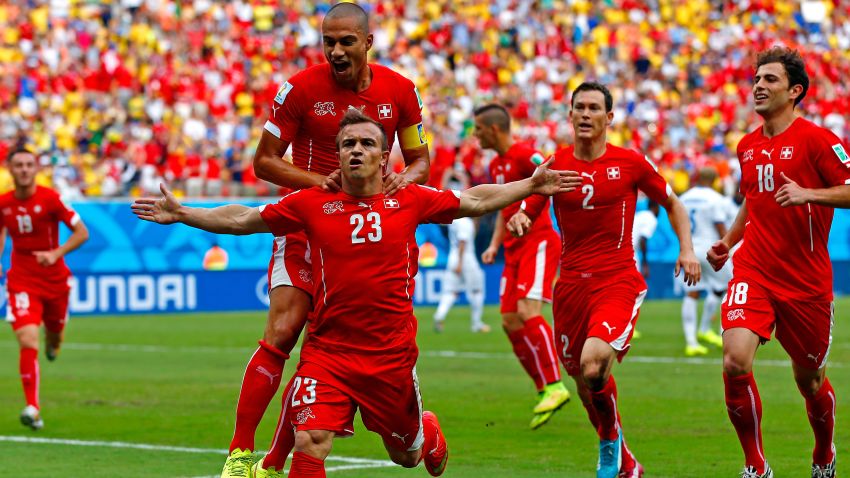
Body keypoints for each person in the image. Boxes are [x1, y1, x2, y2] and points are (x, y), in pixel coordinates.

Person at [133, 108, 582, 478]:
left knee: (405, 455)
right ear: (338, 153)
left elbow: (475, 200)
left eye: (367, 143)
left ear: (385, 155)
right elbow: (243, 219)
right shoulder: (311, 204)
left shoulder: (410, 200)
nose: (356, 150)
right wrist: (184, 212)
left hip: (390, 357)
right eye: (348, 144)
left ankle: (427, 431)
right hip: (328, 352)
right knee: (310, 441)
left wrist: (531, 185)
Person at [221, 4, 431, 476]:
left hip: (367, 231)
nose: (336, 51)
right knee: (284, 329)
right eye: (328, 42)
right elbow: (264, 162)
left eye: (345, 42)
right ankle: (240, 453)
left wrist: (404, 181)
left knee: (327, 344)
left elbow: (420, 159)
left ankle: (276, 462)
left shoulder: (400, 90)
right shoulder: (299, 89)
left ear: (367, 43)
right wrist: (320, 186)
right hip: (306, 224)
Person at [508, 82, 700, 478]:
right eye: (578, 107)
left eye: (594, 107)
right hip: (571, 287)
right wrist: (521, 216)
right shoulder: (555, 164)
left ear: (609, 117)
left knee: (594, 366)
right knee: (582, 382)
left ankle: (609, 442)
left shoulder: (631, 162)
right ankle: (627, 463)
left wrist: (687, 249)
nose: (584, 114)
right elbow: (530, 203)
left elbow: (673, 203)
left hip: (617, 280)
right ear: (570, 115)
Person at [707, 47, 850, 478]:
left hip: (806, 283)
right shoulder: (747, 146)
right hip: (754, 269)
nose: (758, 86)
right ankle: (756, 465)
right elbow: (753, 199)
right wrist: (729, 242)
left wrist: (810, 194)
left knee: (809, 382)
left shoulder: (819, 140)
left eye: (770, 79)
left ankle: (824, 452)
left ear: (795, 91)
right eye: (756, 79)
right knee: (734, 360)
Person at [474, 104, 571, 430]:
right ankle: (544, 387)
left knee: (530, 311)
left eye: (478, 129)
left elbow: (547, 173)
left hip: (538, 241)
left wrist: (527, 213)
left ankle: (556, 386)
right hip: (513, 249)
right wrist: (494, 244)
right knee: (509, 320)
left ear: (494, 130)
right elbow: (504, 207)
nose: (475, 136)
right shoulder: (497, 164)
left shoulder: (523, 154)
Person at [0, 148, 90, 430]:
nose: (24, 169)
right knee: (27, 338)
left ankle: (54, 344)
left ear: (36, 169)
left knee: (53, 337)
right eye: (19, 165)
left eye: (29, 164)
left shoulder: (50, 198)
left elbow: (82, 232)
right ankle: (33, 408)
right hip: (22, 280)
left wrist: (56, 253)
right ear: (10, 170)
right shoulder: (3, 203)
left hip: (55, 280)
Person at [678, 167, 730, 356]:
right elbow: (720, 226)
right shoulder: (715, 199)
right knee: (727, 288)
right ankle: (718, 332)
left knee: (691, 293)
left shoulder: (684, 197)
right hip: (710, 250)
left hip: (690, 249)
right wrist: (729, 246)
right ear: (715, 180)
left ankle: (692, 342)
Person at [433, 165, 488, 333]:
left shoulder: (455, 220)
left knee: (450, 291)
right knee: (477, 290)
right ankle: (476, 323)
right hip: (465, 259)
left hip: (453, 256)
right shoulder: (464, 221)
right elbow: (464, 242)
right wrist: (461, 263)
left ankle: (439, 316)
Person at [629, 199, 659, 340]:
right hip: (630, 253)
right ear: (655, 207)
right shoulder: (651, 218)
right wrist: (646, 263)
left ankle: (626, 326)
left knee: (629, 290)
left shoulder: (640, 215)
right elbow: (642, 240)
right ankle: (627, 327)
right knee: (632, 291)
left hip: (625, 249)